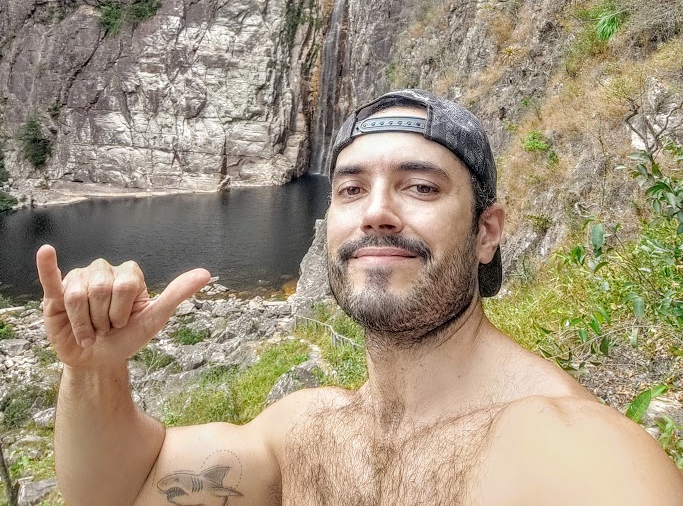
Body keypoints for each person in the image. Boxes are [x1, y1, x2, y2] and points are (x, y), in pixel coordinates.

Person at [37, 88, 683, 506]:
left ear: (486, 231)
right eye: (350, 189)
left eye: (420, 187)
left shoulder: (573, 449)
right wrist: (95, 372)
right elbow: (116, 490)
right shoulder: (303, 431)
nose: (375, 212)